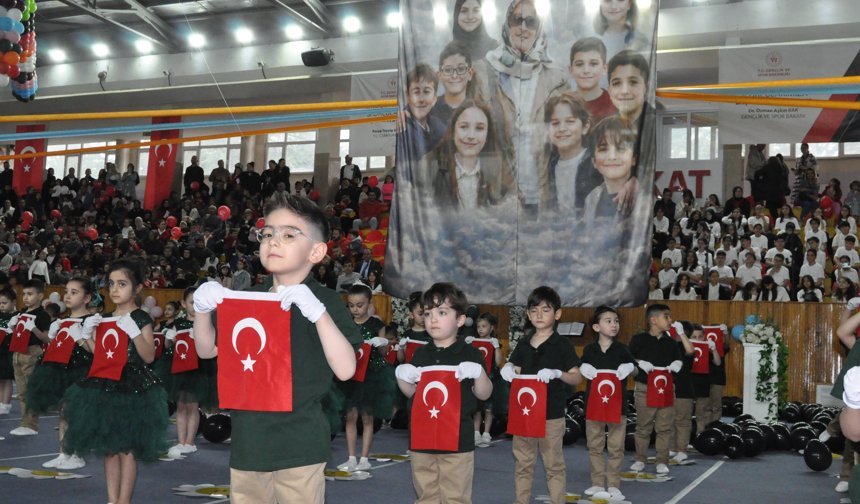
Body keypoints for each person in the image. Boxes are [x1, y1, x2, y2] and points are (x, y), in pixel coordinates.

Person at [192, 193, 361, 504]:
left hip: (300, 441)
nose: (273, 241)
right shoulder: (249, 298)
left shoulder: (325, 301)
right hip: (249, 442)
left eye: (288, 234)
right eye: (267, 233)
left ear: (316, 251)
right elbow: (206, 350)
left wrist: (317, 313)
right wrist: (201, 310)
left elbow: (346, 368)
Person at [62, 259, 168, 504]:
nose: (114, 289)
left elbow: (149, 355)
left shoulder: (141, 318)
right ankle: (112, 500)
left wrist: (133, 331)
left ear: (138, 288)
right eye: (111, 284)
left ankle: (124, 500)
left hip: (132, 387)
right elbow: (102, 353)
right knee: (109, 449)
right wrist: (82, 338)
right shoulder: (105, 317)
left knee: (127, 449)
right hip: (105, 385)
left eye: (122, 284)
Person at [395, 282, 491, 504]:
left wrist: (479, 374)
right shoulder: (420, 354)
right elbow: (415, 395)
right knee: (425, 495)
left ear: (459, 319)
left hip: (457, 440)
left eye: (442, 312)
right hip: (422, 437)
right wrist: (403, 378)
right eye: (428, 313)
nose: (433, 319)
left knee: (454, 497)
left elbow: (484, 394)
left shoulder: (470, 353)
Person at [474, 0, 570, 216]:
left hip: (545, 194)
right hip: (499, 194)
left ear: (539, 28)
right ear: (507, 25)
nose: (523, 28)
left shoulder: (557, 79)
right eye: (517, 20)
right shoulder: (484, 73)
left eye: (531, 22)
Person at [500, 286, 582, 504]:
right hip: (523, 415)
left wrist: (558, 373)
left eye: (545, 310)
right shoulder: (524, 343)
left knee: (554, 465)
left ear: (557, 314)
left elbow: (577, 377)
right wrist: (507, 368)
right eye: (534, 310)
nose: (539, 315)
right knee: (523, 464)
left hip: (551, 416)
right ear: (528, 314)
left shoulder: (562, 345)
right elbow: (515, 368)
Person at [25, 278, 94, 470]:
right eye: (67, 292)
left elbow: (97, 351)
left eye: (74, 292)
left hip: (81, 370)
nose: (68, 296)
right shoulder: (62, 321)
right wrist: (53, 336)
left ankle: (77, 453)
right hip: (60, 369)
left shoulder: (92, 320)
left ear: (87, 297)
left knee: (75, 413)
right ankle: (64, 452)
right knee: (63, 412)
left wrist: (83, 336)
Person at [577, 306, 635, 501]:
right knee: (595, 445)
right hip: (594, 404)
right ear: (596, 327)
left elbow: (635, 371)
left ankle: (614, 484)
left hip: (618, 406)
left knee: (616, 446)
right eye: (608, 321)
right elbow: (581, 368)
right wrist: (582, 367)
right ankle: (597, 482)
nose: (614, 324)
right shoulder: (589, 350)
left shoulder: (623, 349)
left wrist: (630, 367)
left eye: (616, 321)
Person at [156, 286, 218, 459]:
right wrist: (169, 338)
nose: (195, 306)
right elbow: (168, 347)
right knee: (181, 406)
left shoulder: (206, 323)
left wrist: (200, 335)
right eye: (191, 302)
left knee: (192, 406)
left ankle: (190, 442)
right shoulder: (178, 323)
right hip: (179, 369)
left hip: (199, 369)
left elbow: (212, 345)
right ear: (183, 304)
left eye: (198, 302)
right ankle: (181, 441)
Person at [337, 284, 393, 472]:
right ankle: (352, 457)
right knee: (350, 416)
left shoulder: (377, 325)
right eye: (351, 305)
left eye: (360, 305)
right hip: (352, 374)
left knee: (367, 417)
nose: (355, 309)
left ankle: (364, 458)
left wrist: (382, 343)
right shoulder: (346, 325)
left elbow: (384, 353)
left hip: (371, 375)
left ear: (369, 303)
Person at [427, 99, 513, 209]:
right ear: (453, 131)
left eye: (479, 128)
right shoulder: (431, 168)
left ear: (487, 135)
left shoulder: (500, 174)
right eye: (464, 127)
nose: (471, 135)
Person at [628, 303, 682, 475]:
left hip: (666, 389)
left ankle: (662, 460)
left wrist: (677, 364)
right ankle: (640, 459)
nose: (670, 320)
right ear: (653, 319)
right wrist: (637, 362)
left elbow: (679, 359)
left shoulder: (671, 342)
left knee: (664, 427)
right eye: (666, 316)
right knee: (643, 427)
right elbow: (627, 360)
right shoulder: (638, 340)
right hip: (644, 388)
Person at [538, 91, 601, 215]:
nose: (562, 129)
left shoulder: (595, 163)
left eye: (570, 121)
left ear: (585, 126)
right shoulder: (550, 164)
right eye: (555, 123)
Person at [8, 279, 52, 436]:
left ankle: (31, 424)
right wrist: (12, 327)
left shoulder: (42, 315)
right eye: (24, 294)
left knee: (29, 390)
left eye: (30, 294)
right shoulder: (21, 312)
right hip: (17, 352)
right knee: (21, 392)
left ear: (40, 296)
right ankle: (24, 422)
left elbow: (47, 339)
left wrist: (33, 328)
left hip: (32, 352)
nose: (26, 297)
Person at [582, 116, 638, 233]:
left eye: (621, 148)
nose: (612, 157)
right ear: (594, 161)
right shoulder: (591, 199)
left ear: (633, 158)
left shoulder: (642, 198)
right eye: (603, 149)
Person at [671, 322, 716, 463]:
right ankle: (671, 447)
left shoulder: (689, 348)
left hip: (684, 388)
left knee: (682, 420)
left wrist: (682, 334)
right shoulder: (671, 345)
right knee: (669, 419)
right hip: (667, 387)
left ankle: (682, 450)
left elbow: (690, 352)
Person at [396, 63, 446, 167]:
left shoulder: (439, 127)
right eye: (416, 92)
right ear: (407, 96)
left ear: (434, 99)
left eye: (426, 92)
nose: (421, 99)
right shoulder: (401, 126)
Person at [467, 312, 505, 448]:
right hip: (476, 379)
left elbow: (498, 362)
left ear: (491, 328)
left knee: (489, 408)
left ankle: (486, 433)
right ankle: (476, 433)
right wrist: (467, 346)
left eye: (484, 326)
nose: (480, 329)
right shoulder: (474, 342)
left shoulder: (494, 343)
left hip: (491, 378)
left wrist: (496, 347)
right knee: (477, 408)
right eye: (478, 327)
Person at [569, 37, 617, 122]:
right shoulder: (563, 105)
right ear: (570, 69)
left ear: (605, 69)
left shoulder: (615, 106)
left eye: (593, 64)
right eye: (579, 64)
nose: (586, 70)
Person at [431, 41, 478, 127]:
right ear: (439, 75)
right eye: (448, 70)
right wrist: (399, 115)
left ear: (470, 74)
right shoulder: (429, 107)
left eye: (461, 69)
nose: (454, 75)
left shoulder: (479, 111)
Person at [0, 289, 14, 415]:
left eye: (4, 303)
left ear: (13, 302)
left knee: (7, 378)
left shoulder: (15, 317)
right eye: (0, 303)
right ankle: (1, 402)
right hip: (0, 351)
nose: (2, 306)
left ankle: (6, 403)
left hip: (8, 352)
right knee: (0, 379)